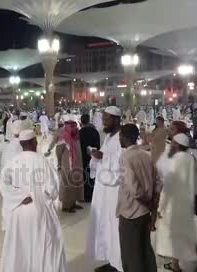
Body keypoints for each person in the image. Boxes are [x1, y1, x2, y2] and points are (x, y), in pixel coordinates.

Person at [0, 130, 66, 272]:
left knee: (21, 248)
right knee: (44, 246)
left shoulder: (13, 161)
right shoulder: (42, 161)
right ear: (34, 142)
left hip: (19, 212)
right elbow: (53, 189)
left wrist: (20, 196)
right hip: (40, 210)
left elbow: (3, 184)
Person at [155, 133, 197, 272]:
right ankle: (182, 262)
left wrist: (161, 206)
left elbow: (168, 185)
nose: (171, 145)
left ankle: (175, 265)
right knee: (183, 233)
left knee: (172, 235)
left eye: (173, 143)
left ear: (178, 145)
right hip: (187, 202)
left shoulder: (175, 160)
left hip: (173, 204)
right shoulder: (191, 158)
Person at [117, 123, 160, 272]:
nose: (119, 139)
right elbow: (158, 183)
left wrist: (145, 201)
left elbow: (135, 190)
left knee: (131, 254)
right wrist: (152, 207)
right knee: (145, 250)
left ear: (125, 137)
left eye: (120, 136)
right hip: (144, 213)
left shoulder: (126, 158)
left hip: (131, 213)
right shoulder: (146, 155)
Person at [85, 106, 123, 272]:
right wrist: (96, 154)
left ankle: (118, 264)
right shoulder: (108, 136)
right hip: (103, 190)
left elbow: (123, 162)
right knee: (104, 225)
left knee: (114, 226)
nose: (104, 122)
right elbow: (105, 156)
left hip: (114, 191)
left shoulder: (123, 137)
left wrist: (103, 156)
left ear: (116, 120)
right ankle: (110, 259)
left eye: (106, 119)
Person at [47, 121, 83, 213]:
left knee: (76, 182)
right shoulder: (63, 135)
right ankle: (66, 206)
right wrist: (59, 162)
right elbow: (58, 151)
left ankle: (73, 202)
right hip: (67, 164)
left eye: (75, 126)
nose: (74, 129)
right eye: (72, 127)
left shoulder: (76, 134)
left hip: (76, 163)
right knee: (67, 183)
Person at [79, 114, 100, 202]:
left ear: (81, 121)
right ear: (88, 120)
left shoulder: (79, 132)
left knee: (84, 176)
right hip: (93, 158)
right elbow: (98, 145)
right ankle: (92, 196)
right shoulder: (95, 131)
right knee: (92, 177)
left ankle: (84, 196)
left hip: (83, 158)